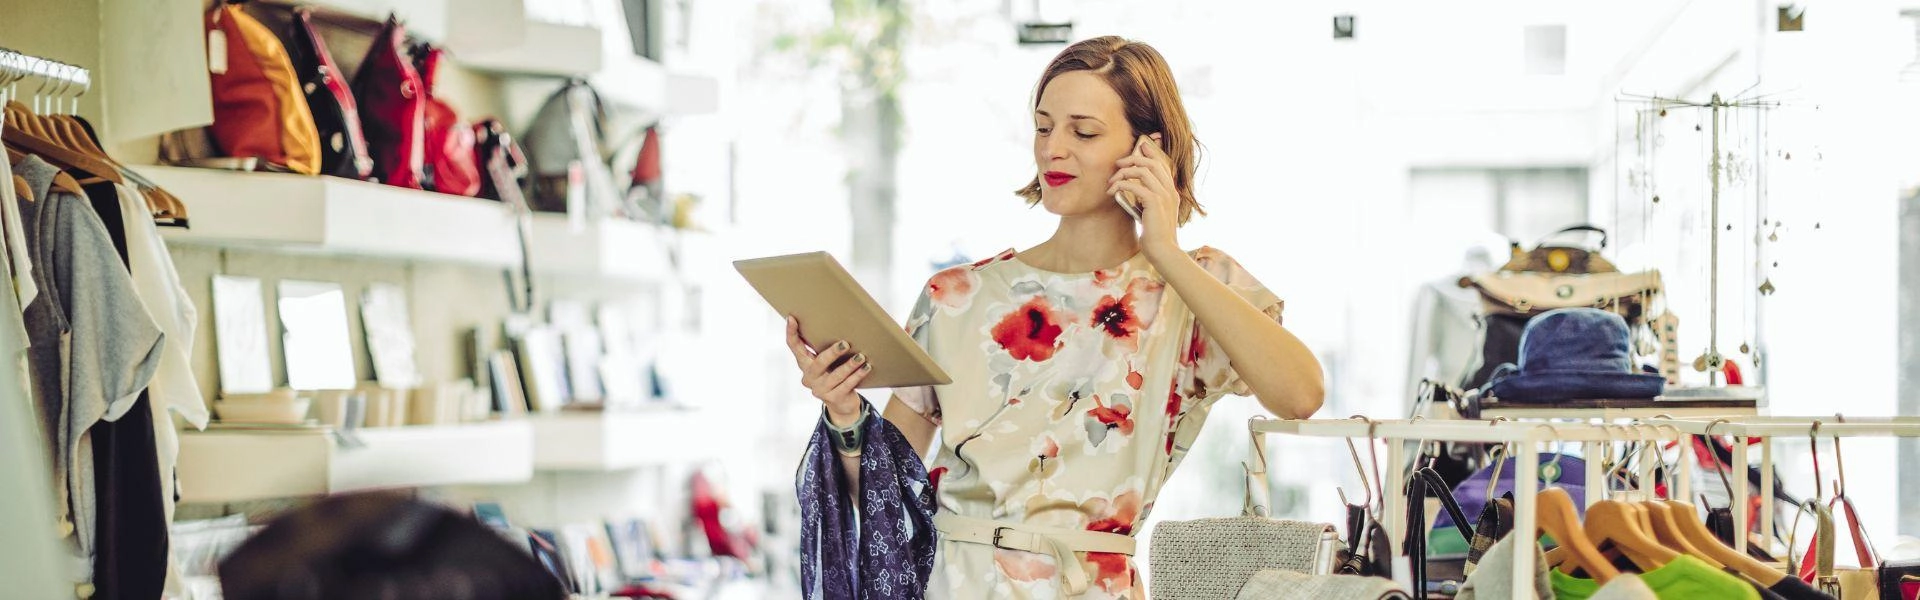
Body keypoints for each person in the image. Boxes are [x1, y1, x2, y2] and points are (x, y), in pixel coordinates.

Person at [790, 36, 1326, 599]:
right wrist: (845, 412)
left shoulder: (1187, 291)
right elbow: (884, 495)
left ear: (1149, 149)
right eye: (1044, 127)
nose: (1053, 149)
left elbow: (1301, 395)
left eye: (1083, 131)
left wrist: (1164, 250)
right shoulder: (958, 296)